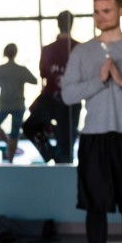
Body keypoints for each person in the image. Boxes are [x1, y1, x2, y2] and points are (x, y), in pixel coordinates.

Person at [61, 0, 122, 243]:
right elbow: (67, 95)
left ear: (120, 11)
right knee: (96, 206)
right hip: (94, 137)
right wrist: (100, 81)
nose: (100, 16)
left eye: (107, 10)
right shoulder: (81, 53)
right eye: (96, 11)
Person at [37, 10, 82, 163]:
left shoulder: (48, 50)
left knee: (32, 126)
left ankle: (52, 153)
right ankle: (62, 155)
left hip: (51, 97)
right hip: (72, 98)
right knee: (68, 137)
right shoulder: (79, 48)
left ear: (58, 24)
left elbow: (43, 73)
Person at [0, 43, 38, 162]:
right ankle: (11, 156)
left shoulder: (0, 69)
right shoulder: (21, 70)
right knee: (14, 133)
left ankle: (9, 146)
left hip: (4, 103)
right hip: (18, 104)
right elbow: (34, 80)